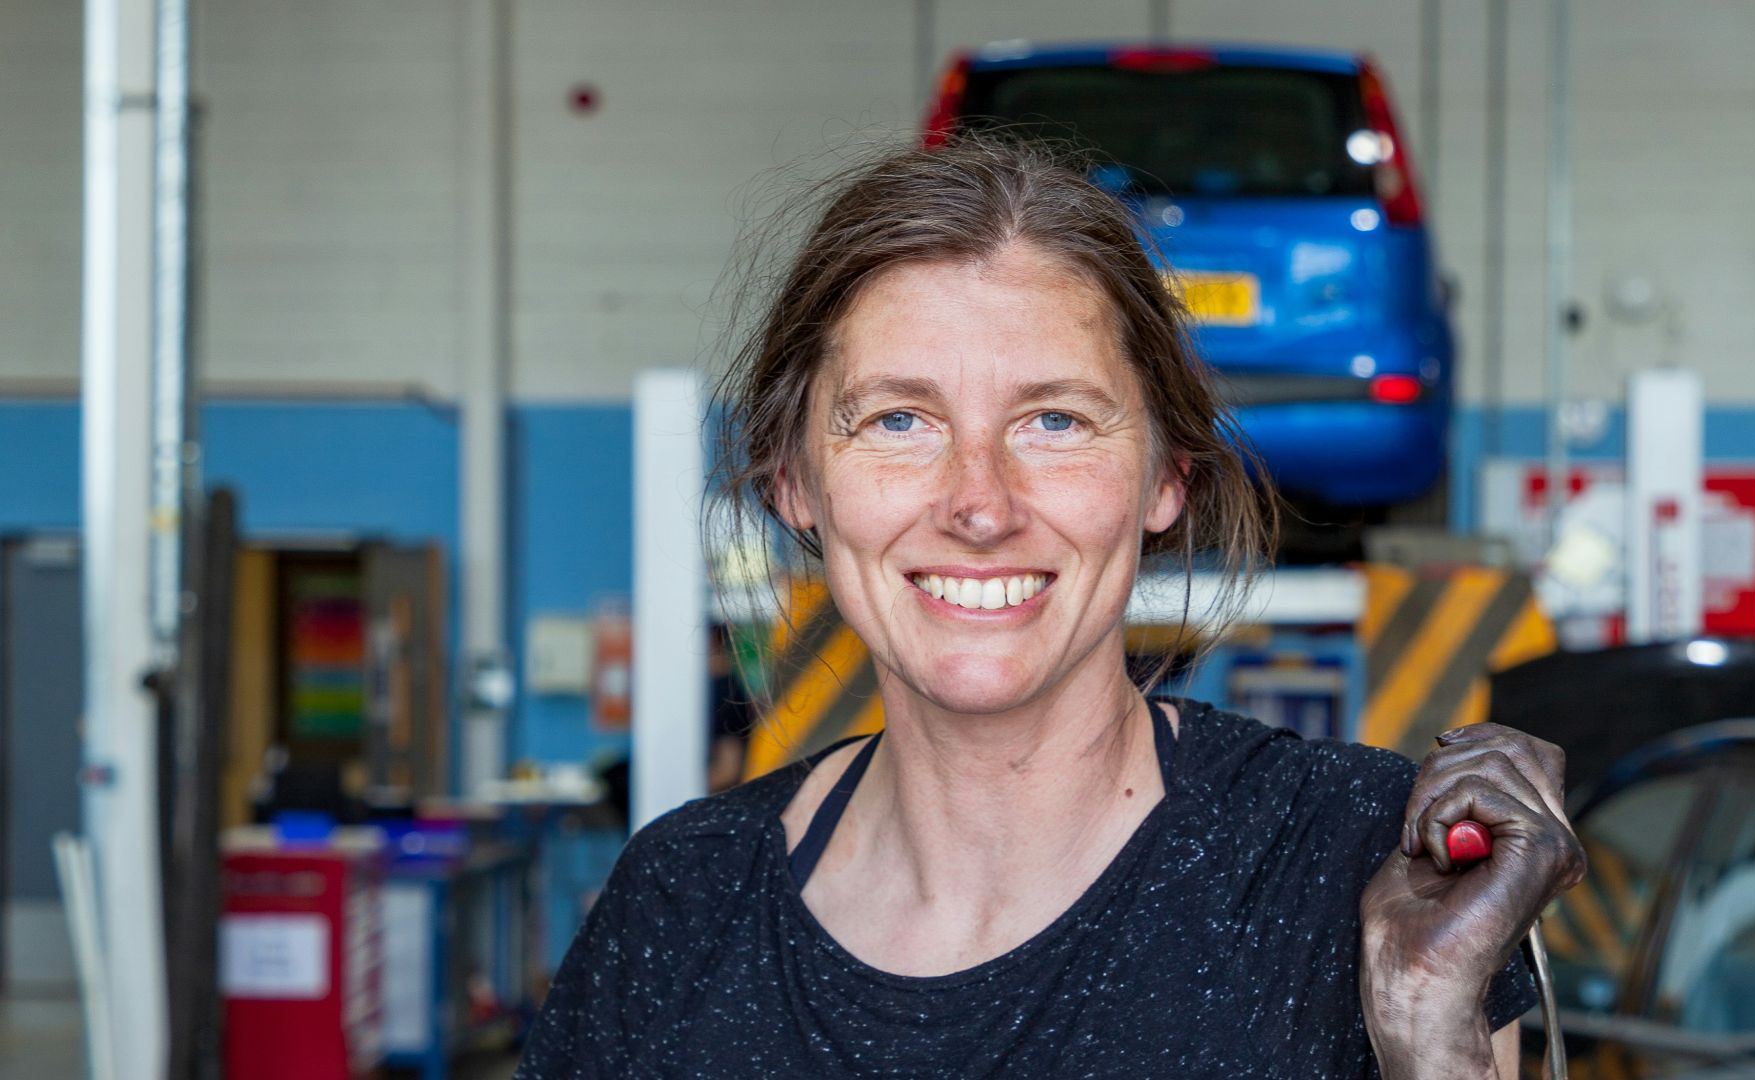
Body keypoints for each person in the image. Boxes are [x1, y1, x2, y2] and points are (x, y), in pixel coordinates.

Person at [515, 135, 1586, 1079]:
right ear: (796, 479)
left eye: (1056, 422)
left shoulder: (1352, 864)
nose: (979, 503)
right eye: (897, 420)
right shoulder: (681, 902)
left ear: (1168, 476)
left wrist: (1433, 1034)